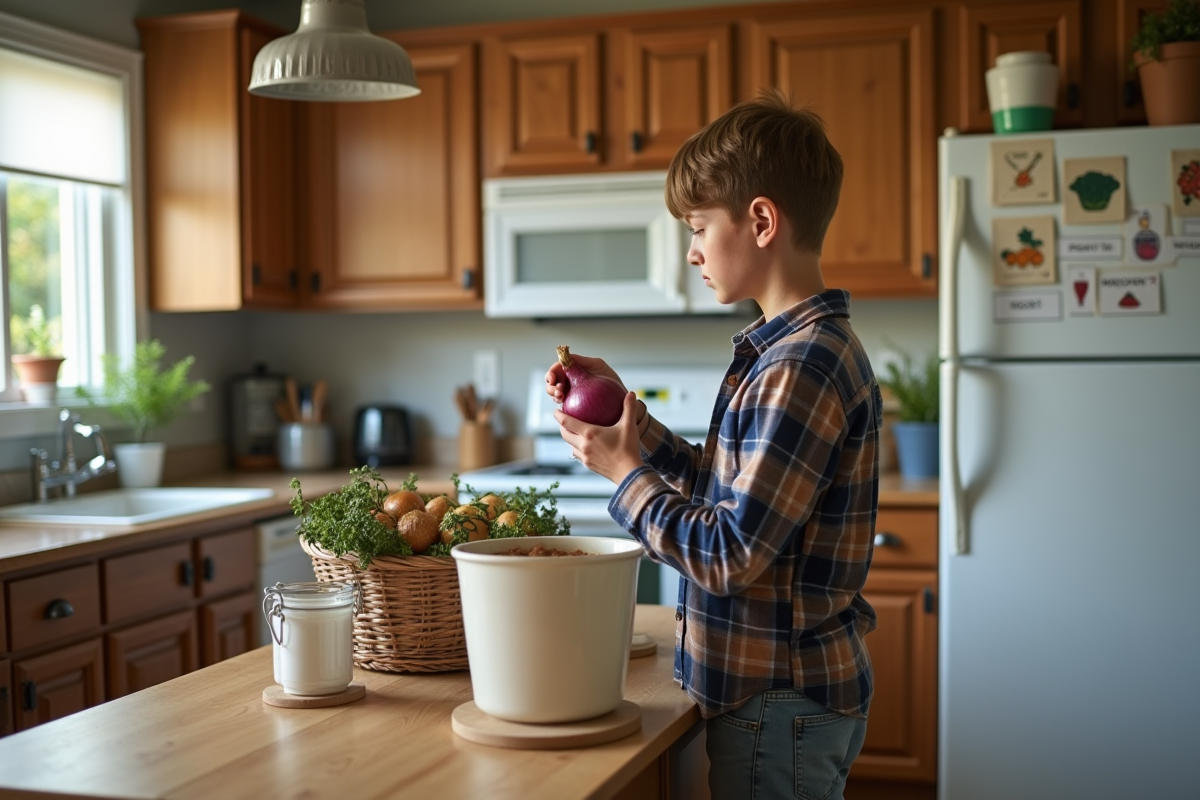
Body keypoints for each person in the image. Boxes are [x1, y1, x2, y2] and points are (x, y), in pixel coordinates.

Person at [545, 88, 881, 800]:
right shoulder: (791, 352)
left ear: (760, 221)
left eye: (698, 227)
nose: (693, 251)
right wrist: (632, 425)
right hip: (779, 697)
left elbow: (729, 554)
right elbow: (728, 493)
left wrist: (626, 474)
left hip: (777, 700)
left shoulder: (798, 367)